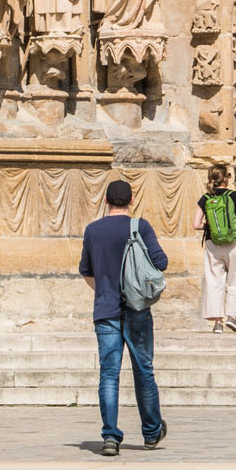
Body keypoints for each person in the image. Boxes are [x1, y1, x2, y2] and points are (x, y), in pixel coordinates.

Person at [78, 179, 168, 455]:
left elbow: (86, 270)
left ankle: (110, 438)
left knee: (109, 374)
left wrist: (105, 291)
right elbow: (161, 263)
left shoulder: (93, 230)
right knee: (144, 371)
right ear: (131, 201)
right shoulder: (140, 226)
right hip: (137, 309)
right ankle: (151, 433)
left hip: (105, 310)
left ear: (105, 201)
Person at [195, 164, 236, 335]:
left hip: (213, 244)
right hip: (233, 243)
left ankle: (217, 323)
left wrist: (210, 226)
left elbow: (195, 225)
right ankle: (232, 317)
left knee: (214, 281)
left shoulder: (205, 198)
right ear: (227, 178)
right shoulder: (234, 196)